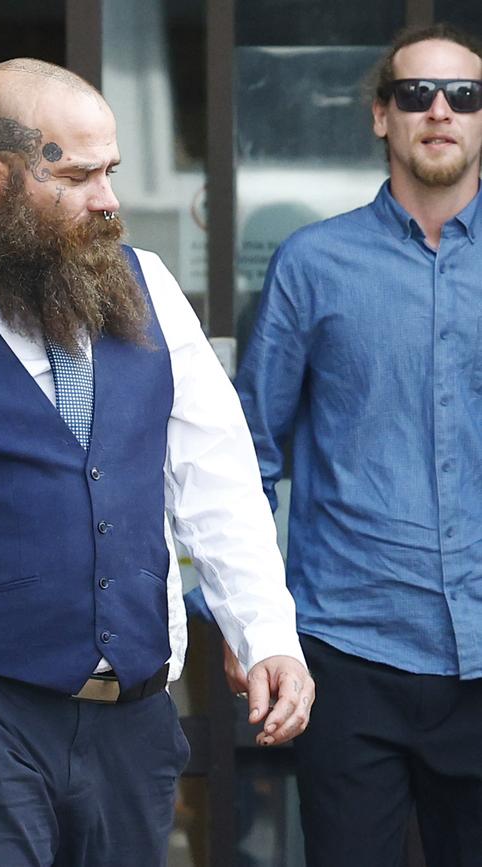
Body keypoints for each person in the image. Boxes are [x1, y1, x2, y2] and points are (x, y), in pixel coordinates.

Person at [0, 58, 315, 867]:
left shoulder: (149, 285)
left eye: (112, 171)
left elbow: (217, 477)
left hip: (134, 723)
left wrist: (266, 631)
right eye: (79, 175)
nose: (109, 200)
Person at [234, 21, 482, 867]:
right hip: (350, 651)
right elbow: (248, 456)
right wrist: (241, 619)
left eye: (464, 95)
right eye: (416, 94)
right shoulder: (312, 265)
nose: (440, 110)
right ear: (382, 115)